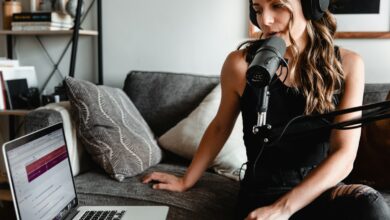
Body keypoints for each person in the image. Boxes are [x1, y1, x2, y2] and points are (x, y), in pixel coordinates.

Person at [143, 0, 390, 219]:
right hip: (262, 192)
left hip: (321, 189)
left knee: (371, 207)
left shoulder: (348, 65)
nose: (265, 20)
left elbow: (345, 155)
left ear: (310, 5)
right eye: (257, 9)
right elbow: (220, 126)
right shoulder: (239, 64)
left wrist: (284, 209)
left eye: (278, 6)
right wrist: (186, 180)